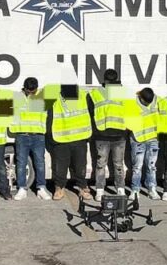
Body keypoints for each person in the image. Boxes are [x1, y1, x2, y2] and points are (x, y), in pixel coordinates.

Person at [87, 68, 129, 201]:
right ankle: (120, 189)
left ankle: (100, 190)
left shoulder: (95, 93)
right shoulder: (124, 92)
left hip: (101, 135)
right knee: (118, 164)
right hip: (119, 135)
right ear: (116, 79)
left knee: (100, 164)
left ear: (104, 80)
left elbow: (90, 113)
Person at [46, 83, 92, 201]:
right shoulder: (55, 97)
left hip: (79, 138)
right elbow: (50, 116)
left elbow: (91, 112)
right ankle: (59, 188)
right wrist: (50, 137)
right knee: (60, 168)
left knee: (80, 166)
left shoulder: (83, 95)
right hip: (62, 139)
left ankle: (83, 188)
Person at [10, 77, 52, 201]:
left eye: (33, 91)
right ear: (25, 88)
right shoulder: (16, 97)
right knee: (21, 164)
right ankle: (22, 188)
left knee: (40, 163)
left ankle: (41, 188)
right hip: (22, 135)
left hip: (38, 135)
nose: (31, 93)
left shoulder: (42, 98)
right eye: (29, 91)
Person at [129, 87, 160, 200]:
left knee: (151, 166)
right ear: (140, 97)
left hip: (153, 138)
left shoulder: (158, 101)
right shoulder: (132, 104)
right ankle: (135, 190)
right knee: (137, 167)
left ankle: (152, 188)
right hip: (138, 139)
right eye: (145, 102)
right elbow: (128, 123)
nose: (147, 104)